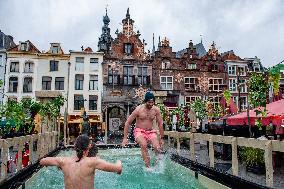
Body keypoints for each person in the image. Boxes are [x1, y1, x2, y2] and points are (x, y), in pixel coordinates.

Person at [40, 135, 122, 189]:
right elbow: (118, 168)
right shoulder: (93, 162)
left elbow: (43, 161)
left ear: (75, 146)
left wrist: (58, 165)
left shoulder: (63, 161)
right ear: (89, 146)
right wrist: (119, 161)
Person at [122, 91, 165, 168]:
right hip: (139, 131)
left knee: (157, 147)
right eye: (149, 102)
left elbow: (160, 124)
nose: (151, 104)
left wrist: (162, 138)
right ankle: (148, 167)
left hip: (151, 131)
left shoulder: (156, 110)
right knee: (144, 145)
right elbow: (127, 122)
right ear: (145, 101)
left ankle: (157, 166)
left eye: (152, 102)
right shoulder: (138, 109)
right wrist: (125, 138)